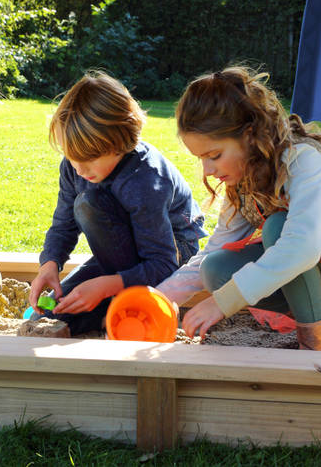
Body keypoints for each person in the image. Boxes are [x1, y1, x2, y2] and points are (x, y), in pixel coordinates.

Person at [156, 66, 321, 352]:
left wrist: (223, 302)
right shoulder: (242, 179)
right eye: (201, 159)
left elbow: (301, 247)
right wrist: (160, 297)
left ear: (250, 135)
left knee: (279, 228)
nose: (208, 169)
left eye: (214, 156)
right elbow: (218, 246)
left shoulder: (304, 161)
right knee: (215, 269)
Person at [28, 71, 207, 335]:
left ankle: (121, 303)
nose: (78, 168)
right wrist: (50, 263)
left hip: (171, 252)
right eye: (71, 156)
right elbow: (63, 224)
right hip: (120, 253)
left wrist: (105, 285)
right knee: (55, 312)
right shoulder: (75, 165)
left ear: (121, 142)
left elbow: (163, 263)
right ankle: (112, 306)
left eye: (89, 158)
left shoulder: (145, 179)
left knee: (89, 205)